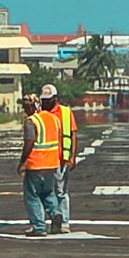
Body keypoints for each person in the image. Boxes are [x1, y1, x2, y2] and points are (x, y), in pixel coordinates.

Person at [17, 92, 63, 237]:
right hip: (52, 164)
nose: (24, 109)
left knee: (32, 196)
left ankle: (38, 227)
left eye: (25, 106)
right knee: (48, 192)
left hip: (36, 164)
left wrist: (22, 162)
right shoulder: (54, 119)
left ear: (31, 106)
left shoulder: (31, 121)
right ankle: (55, 213)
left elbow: (29, 142)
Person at [40, 84, 77, 232]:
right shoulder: (39, 113)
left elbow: (73, 135)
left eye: (48, 99)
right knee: (42, 191)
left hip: (60, 159)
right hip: (43, 159)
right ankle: (42, 221)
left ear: (55, 98)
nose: (46, 103)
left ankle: (64, 222)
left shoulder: (66, 113)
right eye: (44, 100)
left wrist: (72, 157)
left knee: (60, 192)